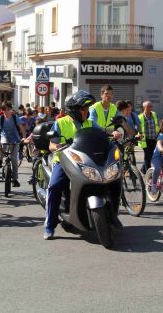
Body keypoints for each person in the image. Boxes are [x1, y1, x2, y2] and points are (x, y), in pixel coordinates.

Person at [44, 90, 122, 240]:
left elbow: (102, 134)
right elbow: (51, 146)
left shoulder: (90, 123)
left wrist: (113, 134)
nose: (87, 111)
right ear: (74, 110)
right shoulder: (61, 122)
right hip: (64, 161)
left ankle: (112, 216)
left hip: (87, 162)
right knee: (55, 186)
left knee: (112, 180)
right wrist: (57, 146)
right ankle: (50, 225)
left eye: (86, 108)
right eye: (84, 109)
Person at [0, 103, 26, 187]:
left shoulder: (15, 118)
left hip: (15, 139)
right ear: (2, 110)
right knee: (2, 145)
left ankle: (15, 179)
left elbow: (22, 129)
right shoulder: (1, 118)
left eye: (8, 110)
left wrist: (24, 138)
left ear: (11, 110)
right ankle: (0, 159)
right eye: (4, 110)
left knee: (14, 159)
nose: (6, 112)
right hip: (5, 138)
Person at [137, 101, 159, 172]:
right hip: (145, 140)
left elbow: (157, 124)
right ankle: (148, 172)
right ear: (144, 107)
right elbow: (137, 128)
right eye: (148, 106)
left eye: (151, 106)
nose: (150, 108)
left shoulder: (154, 115)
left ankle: (143, 169)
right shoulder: (140, 117)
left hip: (153, 138)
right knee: (147, 156)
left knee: (150, 155)